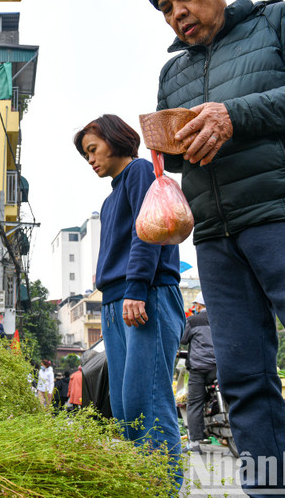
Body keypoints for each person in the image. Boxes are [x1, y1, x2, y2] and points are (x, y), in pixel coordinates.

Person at [147, 0, 285, 495]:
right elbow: (183, 152)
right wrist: (165, 144)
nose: (177, 13)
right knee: (243, 384)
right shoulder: (173, 72)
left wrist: (233, 115)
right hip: (217, 236)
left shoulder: (281, 20)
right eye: (166, 9)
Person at [73, 114, 184, 483]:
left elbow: (147, 234)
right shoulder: (110, 198)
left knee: (147, 401)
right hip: (116, 304)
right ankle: (143, 484)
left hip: (145, 296)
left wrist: (136, 288)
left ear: (115, 139)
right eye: (86, 154)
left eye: (93, 149)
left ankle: (165, 488)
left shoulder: (139, 171)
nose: (90, 159)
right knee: (125, 410)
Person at [180, 292, 216, 453]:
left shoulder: (193, 321)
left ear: (199, 306)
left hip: (199, 369)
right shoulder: (221, 318)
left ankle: (194, 443)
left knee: (194, 403)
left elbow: (182, 339)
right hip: (219, 369)